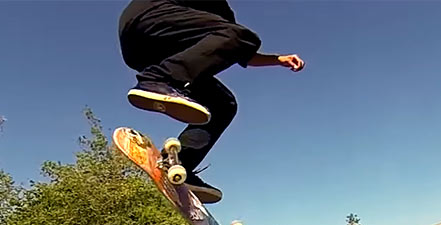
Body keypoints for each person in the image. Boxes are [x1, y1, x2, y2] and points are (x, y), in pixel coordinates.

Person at [118, 0, 304, 203]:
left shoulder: (223, 11)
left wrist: (277, 60)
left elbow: (241, 51)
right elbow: (239, 39)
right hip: (150, 18)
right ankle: (157, 80)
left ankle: (179, 163)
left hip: (149, 49)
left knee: (223, 104)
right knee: (242, 35)